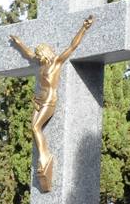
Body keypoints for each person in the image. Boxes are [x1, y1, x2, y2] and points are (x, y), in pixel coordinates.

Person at [9, 14, 94, 192]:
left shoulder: (56, 62)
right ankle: (44, 155)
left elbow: (72, 46)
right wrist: (18, 43)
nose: (38, 57)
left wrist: (84, 28)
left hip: (49, 100)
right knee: (33, 128)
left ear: (46, 53)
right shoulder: (40, 64)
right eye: (38, 55)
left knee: (35, 128)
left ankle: (45, 155)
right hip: (38, 100)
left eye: (40, 54)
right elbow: (28, 54)